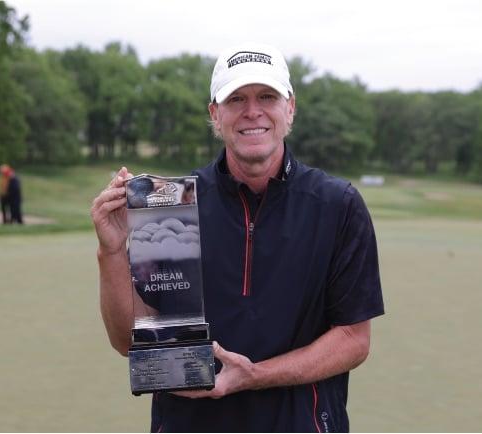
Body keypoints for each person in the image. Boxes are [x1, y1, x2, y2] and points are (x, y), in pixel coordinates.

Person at [91, 42, 384, 432]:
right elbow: (130, 342)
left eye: (267, 96)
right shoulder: (172, 203)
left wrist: (254, 374)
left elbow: (353, 339)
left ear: (290, 107)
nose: (252, 111)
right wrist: (110, 251)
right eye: (236, 99)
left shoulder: (337, 204)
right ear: (215, 113)